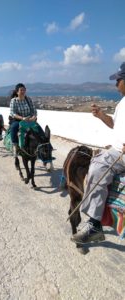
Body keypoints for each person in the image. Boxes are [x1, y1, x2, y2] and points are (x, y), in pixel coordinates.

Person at [71, 62, 125, 244]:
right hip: (117, 149)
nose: (116, 84)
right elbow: (115, 126)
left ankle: (94, 224)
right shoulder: (121, 103)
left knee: (96, 169)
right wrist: (101, 115)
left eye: (118, 79)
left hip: (121, 155)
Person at [9, 83, 46, 157]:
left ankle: (44, 145)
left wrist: (34, 117)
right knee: (13, 127)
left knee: (39, 129)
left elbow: (34, 110)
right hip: (18, 119)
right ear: (17, 92)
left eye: (24, 90)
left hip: (29, 119)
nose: (23, 91)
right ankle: (15, 145)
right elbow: (13, 113)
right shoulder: (14, 101)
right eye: (21, 90)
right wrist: (22, 118)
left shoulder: (28, 99)